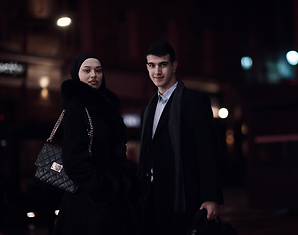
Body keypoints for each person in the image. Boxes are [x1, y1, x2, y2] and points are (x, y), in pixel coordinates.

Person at [138, 41, 224, 235]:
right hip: (152, 198)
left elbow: (207, 151)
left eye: (163, 64)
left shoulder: (193, 101)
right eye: (152, 65)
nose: (157, 71)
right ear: (147, 67)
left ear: (174, 66)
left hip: (184, 197)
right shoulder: (148, 109)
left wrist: (211, 197)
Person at [53, 53, 140, 235]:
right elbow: (74, 160)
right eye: (87, 70)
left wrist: (125, 179)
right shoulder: (76, 107)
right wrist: (103, 187)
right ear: (77, 74)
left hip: (111, 199)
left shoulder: (107, 108)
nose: (94, 75)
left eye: (98, 70)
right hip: (89, 200)